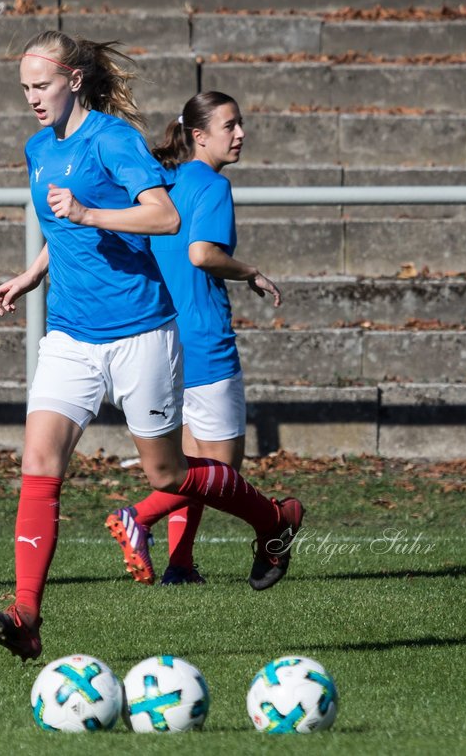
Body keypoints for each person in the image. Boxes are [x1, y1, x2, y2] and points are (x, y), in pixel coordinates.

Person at [0, 32, 303, 661]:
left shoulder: (115, 139)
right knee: (39, 465)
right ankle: (27, 614)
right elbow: (61, 227)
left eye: (40, 86)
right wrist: (32, 273)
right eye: (24, 89)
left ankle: (274, 520)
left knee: (167, 473)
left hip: (140, 331)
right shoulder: (38, 149)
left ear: (72, 80)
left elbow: (164, 218)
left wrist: (90, 214)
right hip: (69, 334)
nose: (32, 99)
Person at [105, 91, 281, 587]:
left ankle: (180, 567)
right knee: (221, 471)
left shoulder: (163, 184)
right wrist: (251, 271)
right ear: (199, 136)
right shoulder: (213, 186)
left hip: (161, 340)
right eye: (230, 126)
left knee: (188, 465)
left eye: (241, 124)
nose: (241, 134)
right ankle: (137, 517)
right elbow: (203, 254)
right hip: (204, 341)